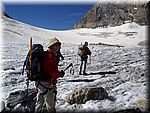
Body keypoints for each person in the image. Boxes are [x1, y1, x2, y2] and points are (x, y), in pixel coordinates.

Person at [34, 37, 65, 113]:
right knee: (50, 105)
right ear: (51, 46)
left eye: (58, 45)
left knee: (39, 103)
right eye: (56, 45)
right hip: (47, 83)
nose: (58, 47)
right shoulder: (50, 56)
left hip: (40, 82)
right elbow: (52, 71)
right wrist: (60, 74)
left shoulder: (48, 54)